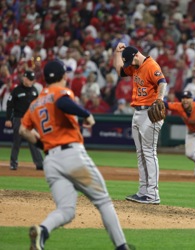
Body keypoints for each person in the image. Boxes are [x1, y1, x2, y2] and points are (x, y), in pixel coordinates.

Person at [19, 60, 132, 250]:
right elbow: (63, 102)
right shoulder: (61, 93)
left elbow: (23, 130)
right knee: (103, 201)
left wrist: (43, 144)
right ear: (64, 76)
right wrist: (87, 114)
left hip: (51, 160)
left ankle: (42, 231)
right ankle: (122, 247)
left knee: (66, 210)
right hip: (71, 155)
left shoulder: (34, 104)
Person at [113, 44, 167, 205]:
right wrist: (117, 53)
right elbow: (120, 71)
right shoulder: (134, 65)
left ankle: (153, 194)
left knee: (149, 152)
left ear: (137, 55)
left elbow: (162, 82)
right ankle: (143, 191)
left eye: (130, 61)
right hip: (137, 112)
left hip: (150, 112)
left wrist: (159, 99)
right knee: (140, 153)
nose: (129, 65)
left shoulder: (151, 65)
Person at [5, 70, 43, 170]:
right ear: (24, 78)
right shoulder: (16, 90)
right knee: (17, 142)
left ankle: (39, 163)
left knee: (33, 141)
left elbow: (37, 106)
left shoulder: (34, 91)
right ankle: (13, 163)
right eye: (27, 78)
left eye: (31, 79)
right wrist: (8, 119)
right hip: (19, 118)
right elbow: (10, 105)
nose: (28, 81)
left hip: (31, 120)